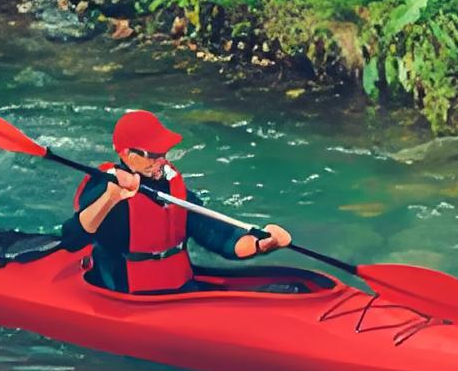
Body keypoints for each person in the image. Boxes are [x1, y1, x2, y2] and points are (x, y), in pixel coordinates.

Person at [59, 109, 291, 293]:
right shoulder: (104, 187)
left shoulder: (173, 187)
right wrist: (110, 198)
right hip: (126, 292)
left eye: (163, 153)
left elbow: (220, 237)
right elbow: (72, 239)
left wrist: (262, 244)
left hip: (178, 286)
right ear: (129, 155)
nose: (162, 160)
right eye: (154, 155)